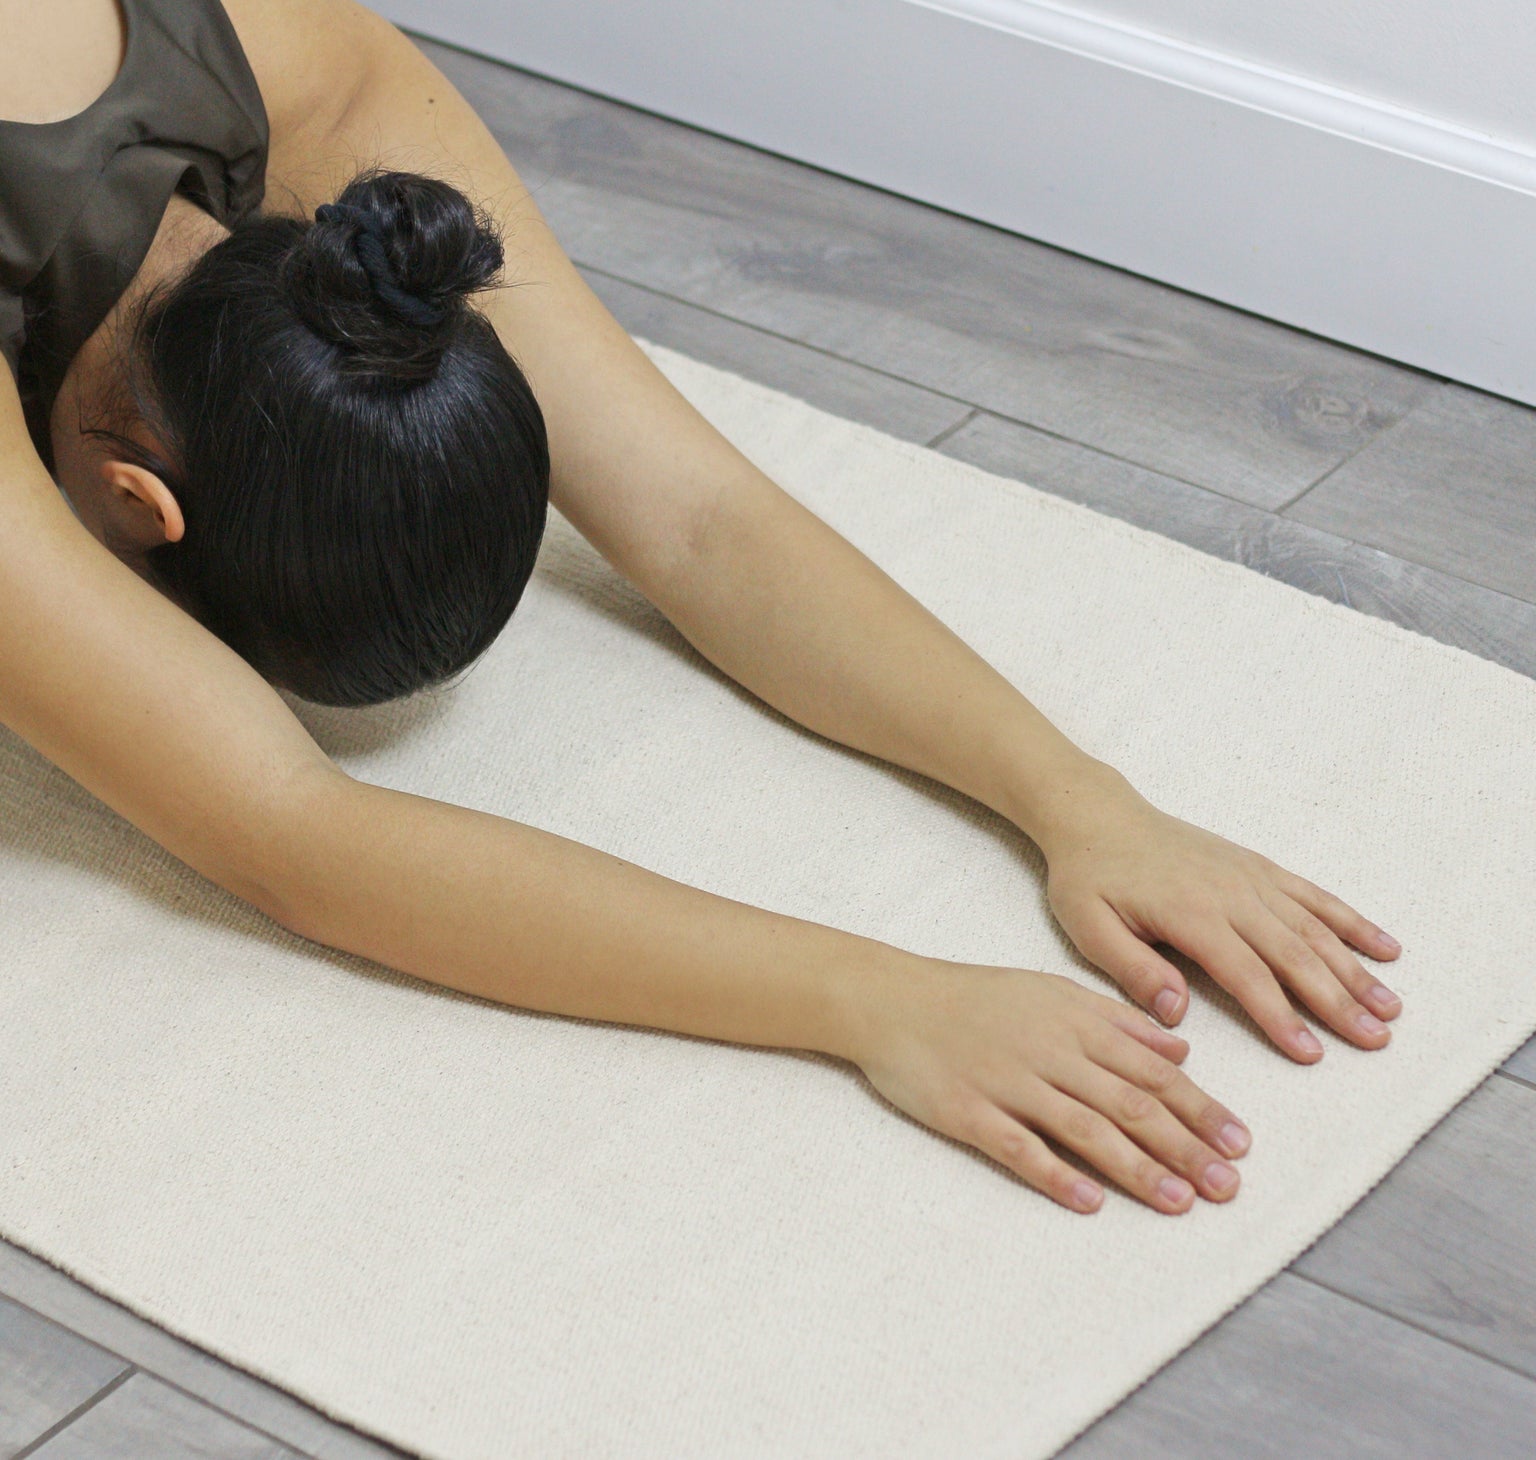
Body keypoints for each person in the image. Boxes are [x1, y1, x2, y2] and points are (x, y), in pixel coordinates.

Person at [0, 0, 1404, 1216]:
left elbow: (696, 517)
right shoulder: (278, 62)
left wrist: (1086, 804)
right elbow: (287, 833)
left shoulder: (318, 81)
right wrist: (870, 999)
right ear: (138, 502)